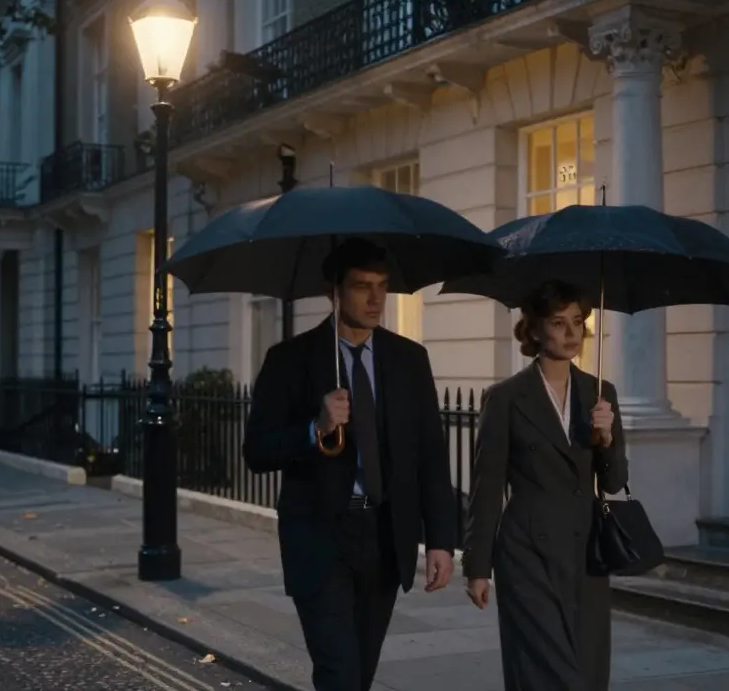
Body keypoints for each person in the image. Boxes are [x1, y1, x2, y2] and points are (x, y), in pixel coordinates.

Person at [243, 237, 457, 691]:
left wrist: (440, 539)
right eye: (362, 286)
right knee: (339, 674)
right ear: (333, 291)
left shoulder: (409, 360)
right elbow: (256, 450)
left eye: (382, 286)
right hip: (320, 540)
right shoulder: (290, 360)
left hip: (384, 537)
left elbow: (431, 456)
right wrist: (314, 429)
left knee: (360, 674)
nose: (376, 298)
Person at [462, 279, 629, 691]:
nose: (572, 333)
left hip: (585, 550)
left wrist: (606, 441)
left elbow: (615, 481)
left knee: (587, 669)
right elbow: (487, 486)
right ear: (535, 329)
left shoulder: (599, 393)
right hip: (526, 551)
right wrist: (477, 567)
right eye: (559, 322)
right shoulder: (505, 398)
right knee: (547, 671)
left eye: (578, 321)